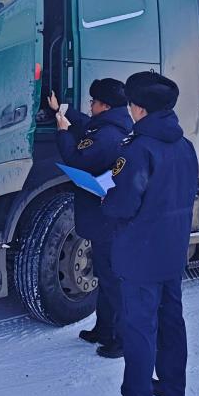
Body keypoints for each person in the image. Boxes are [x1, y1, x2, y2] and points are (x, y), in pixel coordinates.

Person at [99, 71, 198, 396]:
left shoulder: (138, 150)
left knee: (139, 328)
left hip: (139, 256)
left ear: (138, 109)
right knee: (171, 321)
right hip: (172, 252)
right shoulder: (184, 145)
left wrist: (104, 196)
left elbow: (122, 204)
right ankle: (173, 389)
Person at [51, 79, 132, 358]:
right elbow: (86, 123)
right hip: (103, 216)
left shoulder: (107, 135)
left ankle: (121, 339)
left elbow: (77, 160)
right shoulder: (108, 124)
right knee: (105, 277)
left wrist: (63, 132)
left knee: (112, 280)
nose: (90, 106)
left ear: (105, 106)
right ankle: (104, 329)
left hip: (105, 216)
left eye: (93, 102)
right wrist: (62, 109)